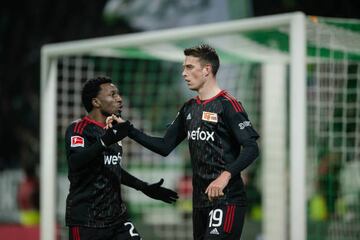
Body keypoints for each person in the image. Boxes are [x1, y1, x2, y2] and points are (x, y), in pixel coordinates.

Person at [110, 44, 260, 239]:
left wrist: (225, 176)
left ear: (207, 70)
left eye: (189, 67)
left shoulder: (228, 105)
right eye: (184, 68)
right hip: (199, 201)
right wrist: (128, 130)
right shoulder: (189, 108)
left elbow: (251, 148)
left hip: (227, 198)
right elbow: (164, 146)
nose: (183, 73)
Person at [64, 76, 178, 240]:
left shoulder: (114, 131)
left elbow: (112, 167)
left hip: (117, 220)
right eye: (113, 94)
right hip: (87, 222)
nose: (119, 99)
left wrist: (144, 187)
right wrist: (105, 141)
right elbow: (76, 162)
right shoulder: (79, 128)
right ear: (96, 102)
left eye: (118, 94)